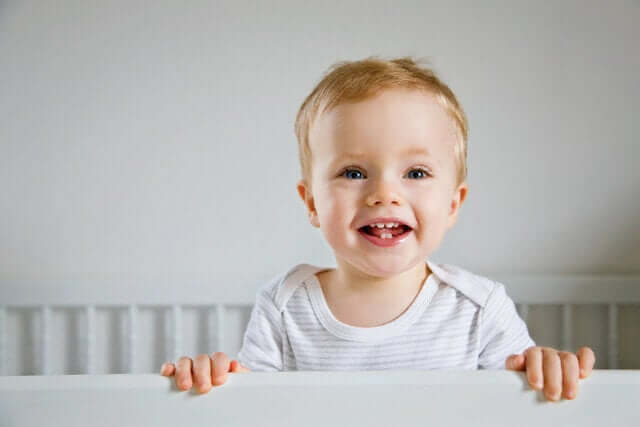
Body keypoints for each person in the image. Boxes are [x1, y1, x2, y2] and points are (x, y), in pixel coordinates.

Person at [161, 56, 595, 401]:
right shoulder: (285, 306)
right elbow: (250, 409)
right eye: (353, 173)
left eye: (417, 173)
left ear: (452, 204)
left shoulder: (479, 310)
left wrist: (546, 369)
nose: (384, 194)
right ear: (312, 202)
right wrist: (209, 384)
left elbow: (524, 403)